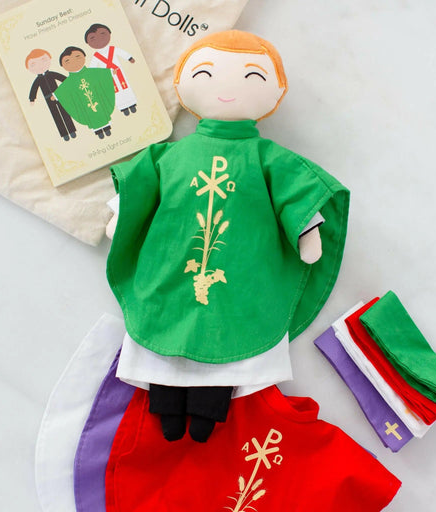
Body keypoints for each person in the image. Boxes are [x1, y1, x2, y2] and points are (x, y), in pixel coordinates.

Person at [106, 30, 350, 442]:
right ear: (185, 83)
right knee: (167, 316)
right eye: (206, 74)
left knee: (232, 324)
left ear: (275, 91)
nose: (227, 88)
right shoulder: (171, 154)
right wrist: (122, 215)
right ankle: (166, 403)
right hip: (171, 263)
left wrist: (306, 230)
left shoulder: (267, 159)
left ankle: (210, 406)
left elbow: (294, 194)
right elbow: (141, 186)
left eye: (253, 77)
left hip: (243, 269)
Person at [52, 46, 115, 139]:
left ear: (84, 56)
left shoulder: (92, 72)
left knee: (101, 111)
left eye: (77, 57)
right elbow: (63, 89)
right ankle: (98, 132)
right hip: (84, 107)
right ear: (63, 65)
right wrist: (57, 95)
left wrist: (110, 72)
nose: (74, 62)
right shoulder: (69, 82)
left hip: (99, 101)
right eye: (67, 61)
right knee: (89, 116)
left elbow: (102, 74)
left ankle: (107, 129)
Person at [85, 24, 138, 116]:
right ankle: (123, 107)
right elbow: (92, 67)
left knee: (126, 87)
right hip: (108, 76)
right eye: (93, 38)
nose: (99, 40)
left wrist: (129, 58)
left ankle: (132, 104)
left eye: (102, 34)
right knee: (115, 92)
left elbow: (121, 53)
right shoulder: (96, 56)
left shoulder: (113, 49)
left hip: (119, 72)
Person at [26, 49, 76, 141]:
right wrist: (32, 99)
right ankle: (64, 134)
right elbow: (34, 89)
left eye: (43, 60)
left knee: (65, 112)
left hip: (59, 95)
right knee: (56, 116)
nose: (40, 66)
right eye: (33, 64)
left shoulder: (52, 74)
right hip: (48, 99)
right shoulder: (38, 80)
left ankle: (72, 131)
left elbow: (62, 78)